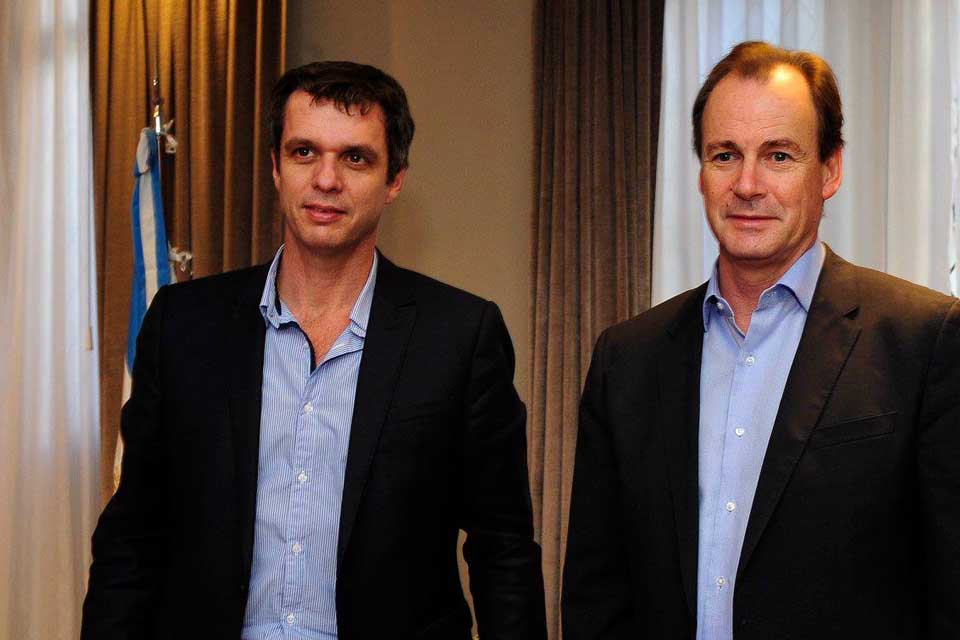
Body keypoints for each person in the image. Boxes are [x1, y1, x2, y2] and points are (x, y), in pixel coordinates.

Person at [82, 60, 546, 639]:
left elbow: (503, 551)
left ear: (395, 179)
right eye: (304, 152)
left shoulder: (460, 336)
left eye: (355, 158)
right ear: (276, 167)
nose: (327, 179)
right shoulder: (183, 325)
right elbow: (132, 538)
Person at [562, 41, 960, 639]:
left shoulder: (923, 341)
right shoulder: (627, 359)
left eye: (778, 155)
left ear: (829, 170)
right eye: (725, 155)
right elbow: (597, 596)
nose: (747, 184)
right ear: (701, 174)